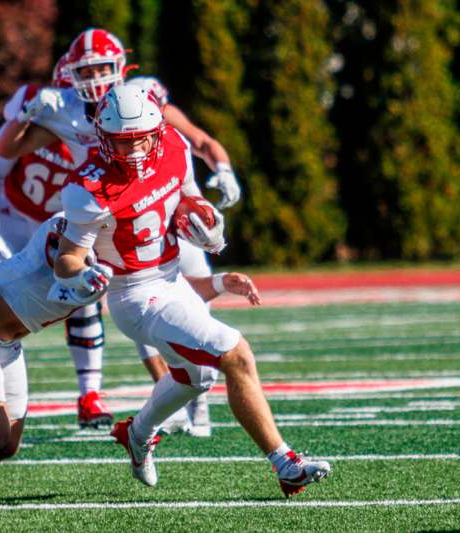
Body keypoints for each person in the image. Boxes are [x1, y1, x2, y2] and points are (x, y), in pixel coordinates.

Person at [53, 84, 331, 496]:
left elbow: (190, 201)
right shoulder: (88, 188)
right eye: (119, 142)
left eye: (138, 140)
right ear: (102, 136)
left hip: (172, 279)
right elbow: (66, 258)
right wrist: (81, 275)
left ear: (156, 131)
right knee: (234, 352)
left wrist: (205, 223)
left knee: (194, 378)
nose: (130, 152)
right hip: (134, 294)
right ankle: (285, 462)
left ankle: (138, 433)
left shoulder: (174, 147)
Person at [0, 209, 261, 504]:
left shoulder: (121, 240)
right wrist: (80, 273)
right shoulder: (74, 224)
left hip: (6, 340)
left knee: (4, 445)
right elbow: (63, 258)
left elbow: (157, 293)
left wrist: (219, 283)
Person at [0, 27, 244, 436]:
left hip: (165, 203)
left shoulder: (144, 98)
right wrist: (24, 114)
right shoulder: (64, 108)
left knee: (193, 302)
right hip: (109, 210)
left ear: (121, 66)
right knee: (141, 305)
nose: (94, 79)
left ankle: (195, 400)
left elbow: (195, 139)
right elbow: (8, 149)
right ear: (70, 74)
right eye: (86, 71)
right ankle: (166, 400)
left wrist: (223, 170)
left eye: (101, 69)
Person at [0, 53, 112, 429]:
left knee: (84, 291)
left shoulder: (99, 134)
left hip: (61, 226)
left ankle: (90, 394)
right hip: (17, 220)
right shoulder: (36, 123)